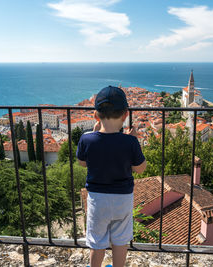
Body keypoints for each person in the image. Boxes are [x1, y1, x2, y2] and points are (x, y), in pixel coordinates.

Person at [77, 86, 147, 267]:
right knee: (120, 239)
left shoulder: (86, 139)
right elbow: (140, 169)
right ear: (125, 115)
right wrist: (134, 142)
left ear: (96, 115)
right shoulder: (129, 141)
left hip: (97, 199)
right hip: (122, 199)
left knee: (97, 240)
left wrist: (93, 133)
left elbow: (82, 163)